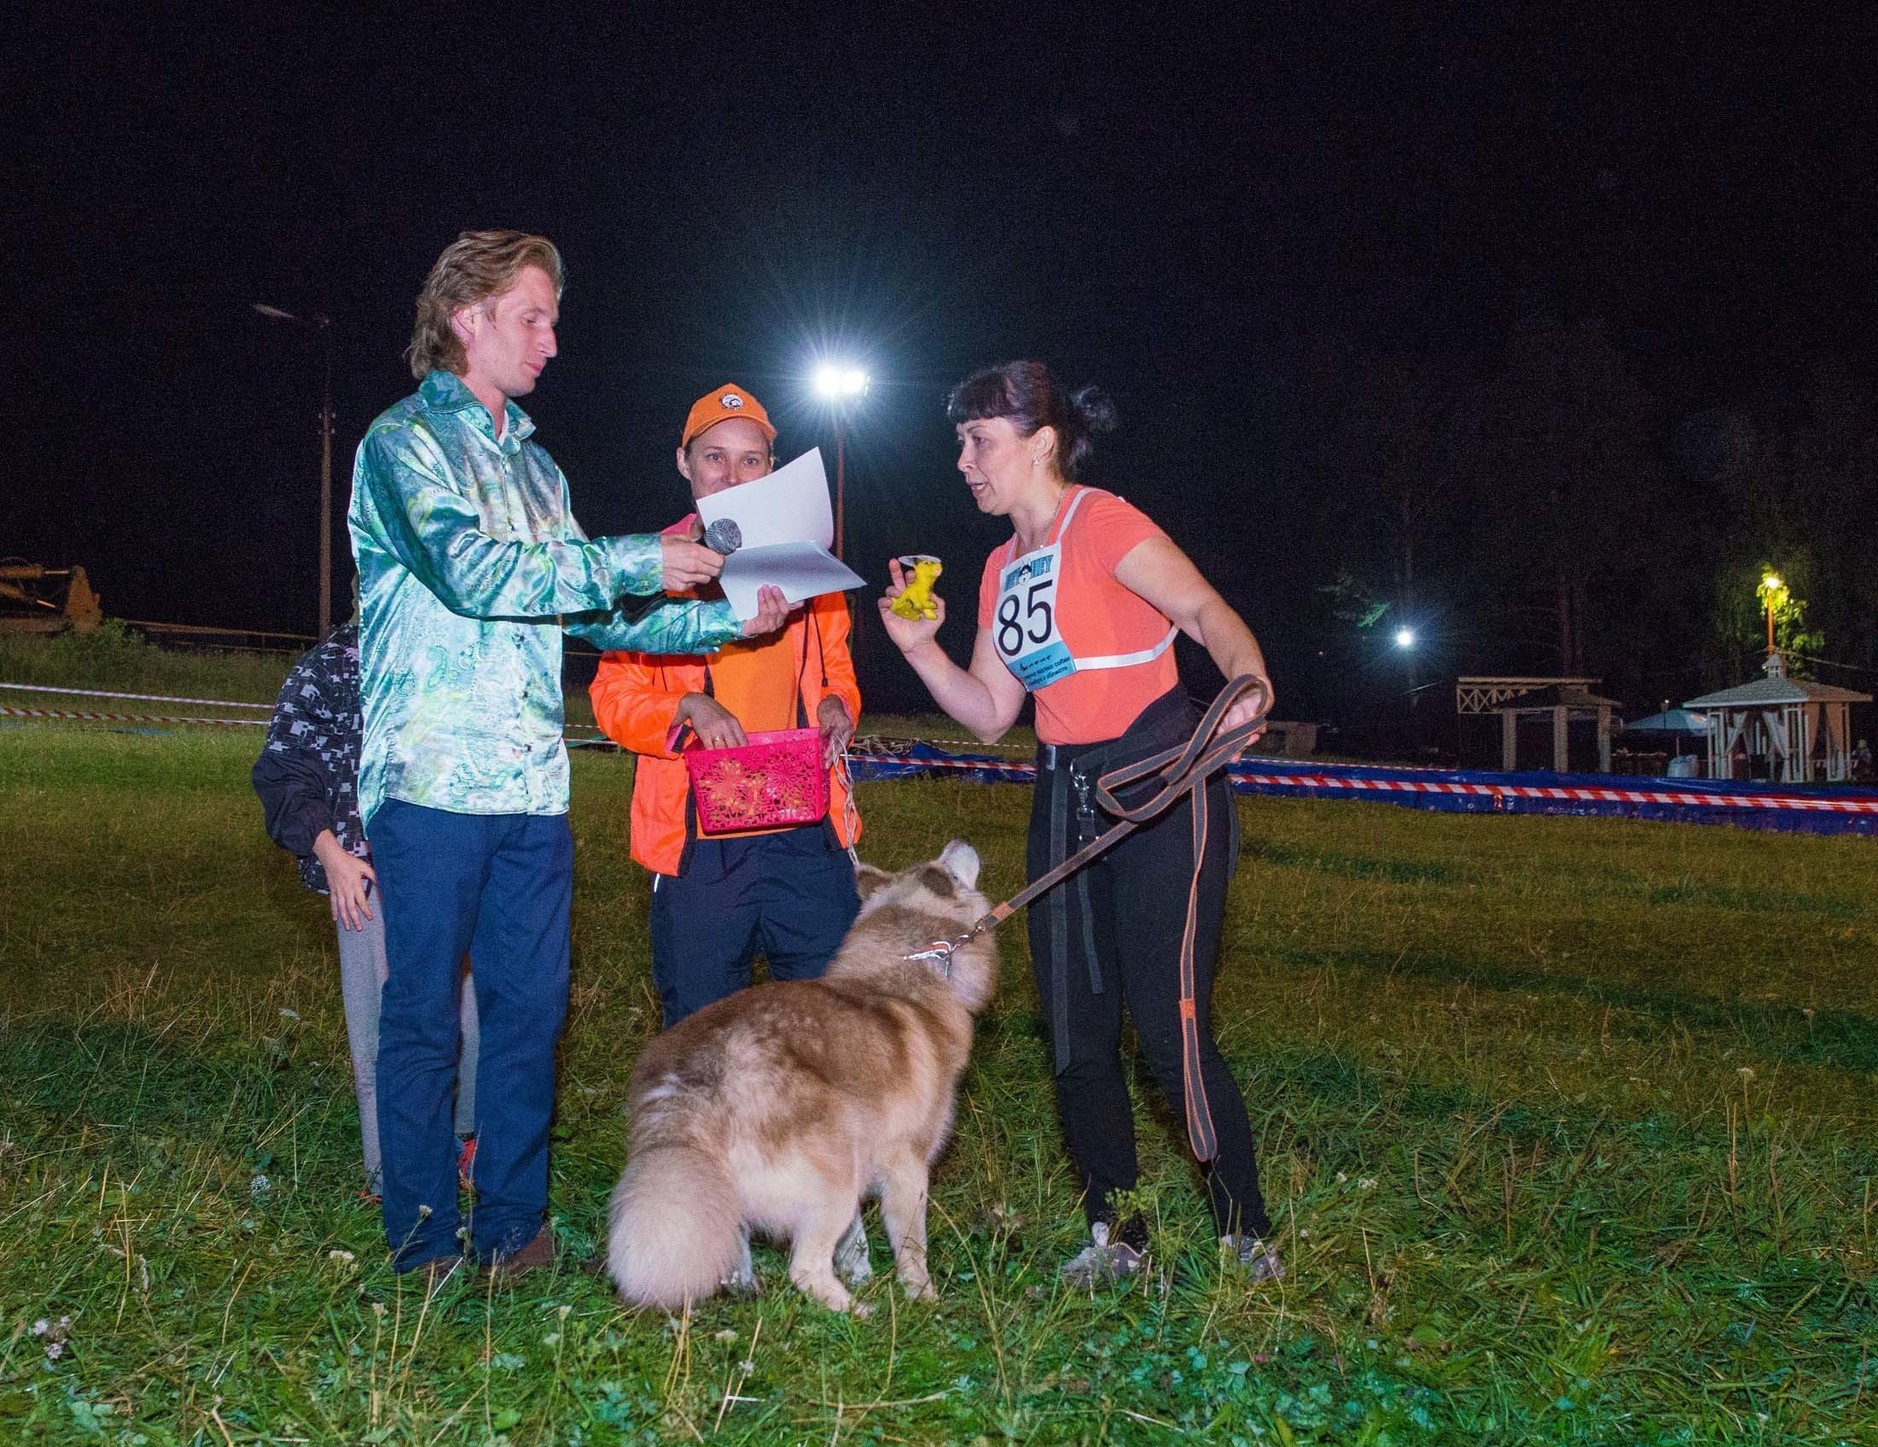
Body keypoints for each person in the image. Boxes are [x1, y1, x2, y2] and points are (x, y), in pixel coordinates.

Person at [348, 230, 786, 1281]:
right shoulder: (401, 444)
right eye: (532, 316)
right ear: (468, 319)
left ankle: (512, 1227)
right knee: (420, 1016)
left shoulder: (540, 469)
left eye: (552, 318)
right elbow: (469, 570)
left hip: (532, 790)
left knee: (530, 1011)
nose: (551, 339)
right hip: (432, 778)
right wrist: (639, 554)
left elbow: (593, 612)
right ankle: (420, 1240)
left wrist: (727, 624)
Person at [876, 360, 1282, 1286]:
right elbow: (987, 712)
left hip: (1162, 780)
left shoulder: (1101, 521)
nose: (964, 461)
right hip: (1064, 793)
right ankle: (1119, 1234)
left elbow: (1206, 612)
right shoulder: (998, 567)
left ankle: (1244, 1230)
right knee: (1075, 1028)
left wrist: (1247, 687)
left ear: (1041, 442)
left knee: (1167, 1018)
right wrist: (920, 649)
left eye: (979, 441)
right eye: (960, 443)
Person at [591, 385, 863, 1026]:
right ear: (683, 463)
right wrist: (685, 707)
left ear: (772, 468)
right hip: (699, 842)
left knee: (833, 1032)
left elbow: (838, 674)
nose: (733, 474)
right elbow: (611, 696)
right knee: (702, 1039)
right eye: (715, 457)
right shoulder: (648, 570)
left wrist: (836, 708)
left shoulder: (809, 563)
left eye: (751, 459)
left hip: (807, 830)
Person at [251, 620, 480, 1201]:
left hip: (453, 863)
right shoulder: (329, 667)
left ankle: (469, 1139)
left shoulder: (452, 652)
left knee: (474, 1014)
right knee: (382, 1028)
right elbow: (282, 768)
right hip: (366, 873)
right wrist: (328, 851)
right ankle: (391, 1175)